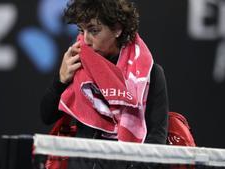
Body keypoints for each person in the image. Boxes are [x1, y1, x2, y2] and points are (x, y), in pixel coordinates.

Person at [40, 0, 169, 168]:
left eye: (94, 30)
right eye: (81, 30)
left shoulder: (150, 74)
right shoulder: (78, 63)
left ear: (117, 29)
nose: (85, 40)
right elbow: (46, 116)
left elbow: (156, 141)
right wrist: (60, 80)